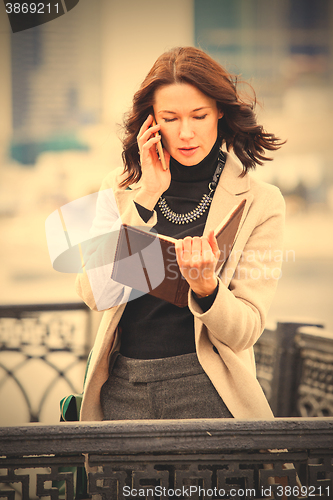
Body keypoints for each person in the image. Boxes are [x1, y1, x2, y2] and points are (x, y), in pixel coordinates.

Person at [76, 46, 285, 422]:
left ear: (220, 111)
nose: (186, 133)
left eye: (199, 115)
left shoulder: (260, 202)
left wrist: (206, 288)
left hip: (209, 389)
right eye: (170, 118)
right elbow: (94, 294)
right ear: (151, 121)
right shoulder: (119, 188)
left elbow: (245, 331)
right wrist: (146, 196)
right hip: (123, 389)